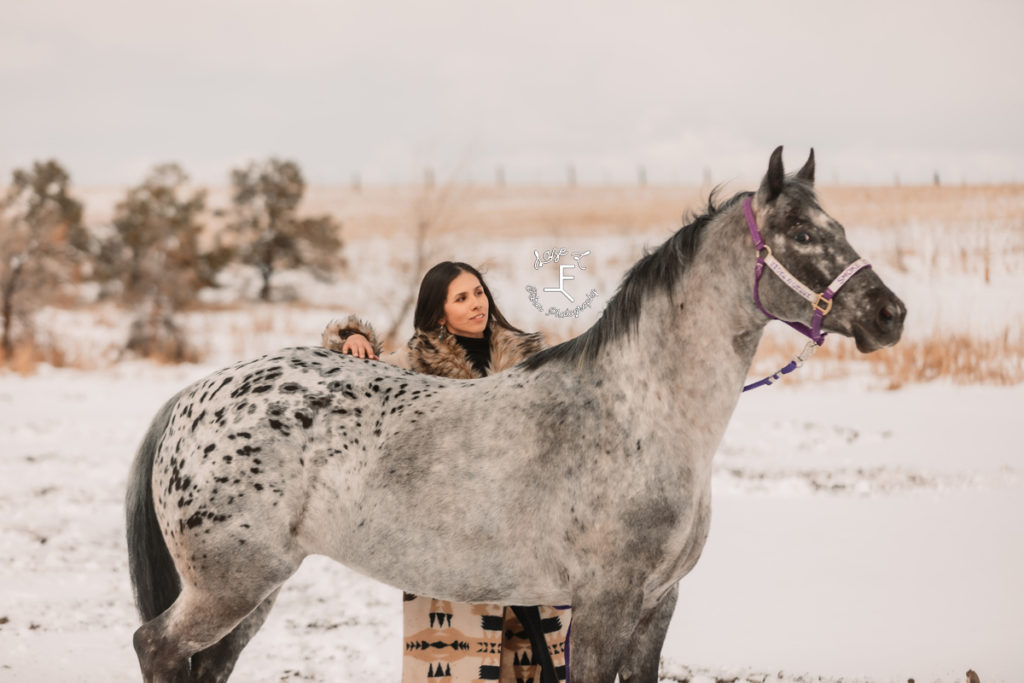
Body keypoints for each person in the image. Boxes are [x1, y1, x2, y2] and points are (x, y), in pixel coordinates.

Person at [322, 261, 570, 683]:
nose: (477, 303)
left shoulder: (531, 362)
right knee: (459, 664)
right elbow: (345, 384)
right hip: (449, 542)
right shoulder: (413, 366)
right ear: (439, 313)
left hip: (529, 535)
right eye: (462, 298)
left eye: (479, 292)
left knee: (534, 662)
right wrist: (351, 338)